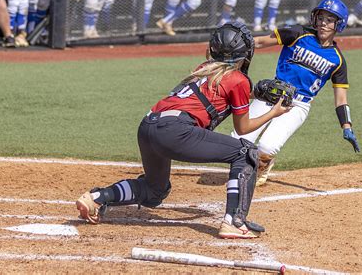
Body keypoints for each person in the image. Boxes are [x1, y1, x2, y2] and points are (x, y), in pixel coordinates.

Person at [76, 22, 291, 239]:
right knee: (246, 153)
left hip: (148, 126)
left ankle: (98, 197)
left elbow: (220, 89)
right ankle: (234, 221)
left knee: (155, 189)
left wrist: (254, 94)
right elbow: (242, 127)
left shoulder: (204, 68)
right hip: (175, 132)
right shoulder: (239, 80)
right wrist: (273, 113)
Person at [232, 0, 360, 186]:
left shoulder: (337, 60)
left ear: (338, 25)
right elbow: (259, 42)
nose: (323, 23)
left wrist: (346, 126)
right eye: (321, 17)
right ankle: (247, 164)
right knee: (237, 141)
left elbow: (341, 99)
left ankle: (263, 164)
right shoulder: (298, 33)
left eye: (330, 20)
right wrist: (233, 45)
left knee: (267, 146)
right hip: (272, 93)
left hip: (298, 105)